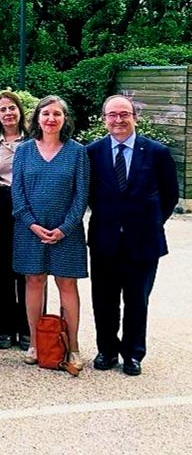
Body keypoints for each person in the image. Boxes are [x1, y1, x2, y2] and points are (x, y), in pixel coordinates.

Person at [87, 95, 178, 376]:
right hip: (105, 241)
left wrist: (147, 223)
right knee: (104, 301)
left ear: (134, 117)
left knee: (138, 301)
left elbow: (170, 195)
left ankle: (133, 354)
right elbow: (89, 194)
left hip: (143, 242)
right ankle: (107, 350)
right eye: (112, 115)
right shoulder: (92, 152)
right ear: (104, 119)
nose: (118, 120)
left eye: (124, 114)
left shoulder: (157, 152)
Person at [12, 95, 89, 370]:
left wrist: (64, 228)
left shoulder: (77, 151)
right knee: (34, 281)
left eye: (57, 114)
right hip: (29, 230)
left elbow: (81, 197)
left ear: (64, 119)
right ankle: (36, 342)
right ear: (37, 119)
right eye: (45, 114)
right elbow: (17, 194)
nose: (51, 119)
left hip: (67, 232)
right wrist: (32, 224)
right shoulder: (23, 151)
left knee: (67, 285)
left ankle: (73, 347)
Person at [0, 90, 30, 351]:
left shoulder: (34, 141)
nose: (8, 113)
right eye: (2, 109)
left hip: (26, 206)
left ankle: (27, 328)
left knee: (27, 269)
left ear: (20, 111)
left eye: (12, 108)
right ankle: (3, 328)